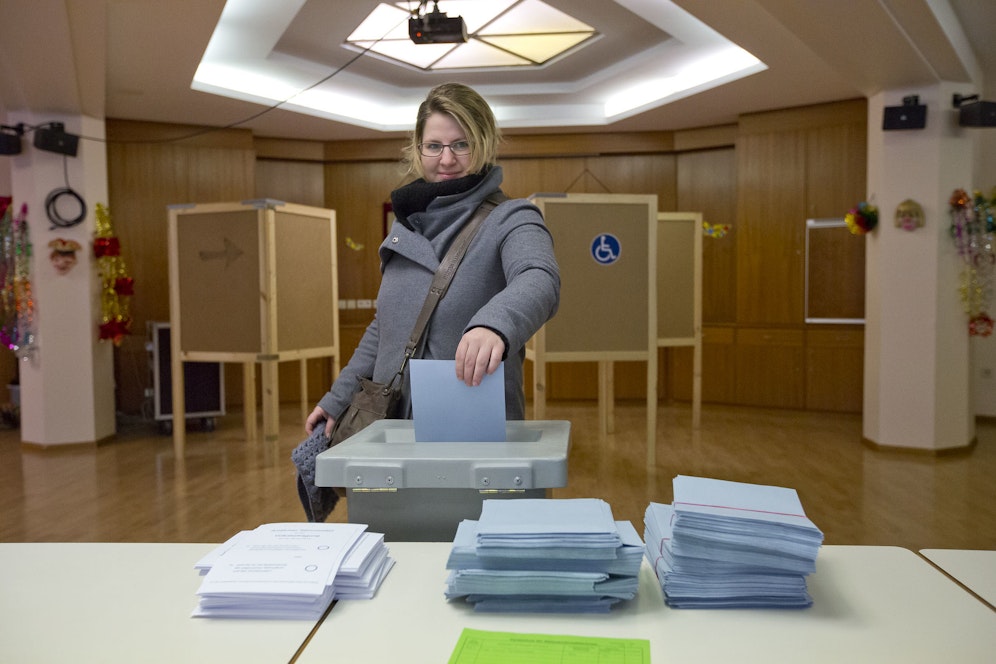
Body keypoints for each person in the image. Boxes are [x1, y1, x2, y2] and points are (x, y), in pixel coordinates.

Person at [305, 83, 560, 437]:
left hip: (471, 429)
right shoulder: (405, 226)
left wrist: (494, 324)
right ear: (418, 149)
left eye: (461, 144)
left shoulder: (512, 217)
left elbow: (539, 277)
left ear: (484, 144)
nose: (447, 159)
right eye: (434, 146)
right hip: (390, 432)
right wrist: (338, 397)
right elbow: (385, 328)